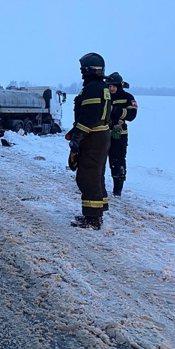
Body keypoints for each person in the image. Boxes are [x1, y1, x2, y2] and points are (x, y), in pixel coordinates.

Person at [66, 52, 113, 230]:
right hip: (100, 136)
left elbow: (89, 116)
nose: (80, 72)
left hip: (93, 137)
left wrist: (77, 136)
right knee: (96, 174)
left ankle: (92, 219)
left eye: (82, 69)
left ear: (88, 69)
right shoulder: (101, 87)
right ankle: (97, 212)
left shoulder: (93, 88)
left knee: (88, 176)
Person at [105, 72, 138, 197]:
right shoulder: (104, 96)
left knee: (117, 161)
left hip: (119, 134)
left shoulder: (128, 97)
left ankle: (117, 190)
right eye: (109, 86)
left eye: (114, 86)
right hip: (102, 133)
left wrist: (115, 110)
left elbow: (132, 115)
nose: (111, 88)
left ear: (119, 86)